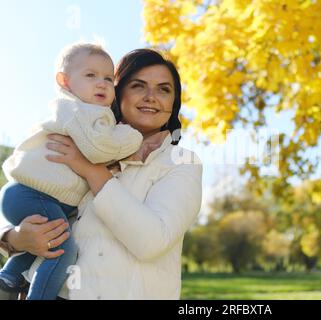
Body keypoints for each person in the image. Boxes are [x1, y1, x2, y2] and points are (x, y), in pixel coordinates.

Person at [0, 48, 202, 300]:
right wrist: (13, 237)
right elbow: (29, 185)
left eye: (164, 89)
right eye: (138, 86)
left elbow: (151, 242)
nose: (151, 97)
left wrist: (89, 169)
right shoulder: (80, 135)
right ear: (119, 94)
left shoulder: (181, 163)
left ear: (174, 103)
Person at [0, 42, 143, 299]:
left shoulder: (90, 113)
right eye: (91, 75)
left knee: (47, 238)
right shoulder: (74, 109)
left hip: (41, 197)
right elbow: (97, 148)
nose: (102, 83)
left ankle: (10, 276)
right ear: (64, 81)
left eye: (108, 78)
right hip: (32, 193)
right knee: (63, 251)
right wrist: (133, 137)